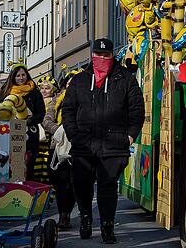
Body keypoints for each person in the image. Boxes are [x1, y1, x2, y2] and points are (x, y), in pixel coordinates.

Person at [63, 38, 145, 244]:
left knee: (108, 186)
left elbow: (137, 110)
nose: (102, 59)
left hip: (114, 143)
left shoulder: (125, 79)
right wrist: (74, 135)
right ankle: (85, 217)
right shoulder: (80, 80)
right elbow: (68, 110)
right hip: (83, 143)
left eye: (106, 55)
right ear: (92, 56)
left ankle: (107, 225)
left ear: (112, 56)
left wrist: (130, 135)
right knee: (81, 184)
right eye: (98, 55)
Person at [0, 64, 46, 182]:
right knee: (11, 166)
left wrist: (29, 121)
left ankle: (26, 191)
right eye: (18, 75)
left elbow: (41, 113)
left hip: (30, 134)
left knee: (28, 166)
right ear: (13, 77)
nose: (21, 78)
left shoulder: (34, 92)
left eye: (23, 75)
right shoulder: (6, 92)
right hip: (10, 134)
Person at [42, 72, 76, 230]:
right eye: (69, 83)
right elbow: (46, 120)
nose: (71, 86)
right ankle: (63, 213)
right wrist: (60, 131)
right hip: (58, 146)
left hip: (78, 145)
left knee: (75, 183)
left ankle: (67, 213)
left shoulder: (85, 99)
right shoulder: (57, 99)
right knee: (60, 182)